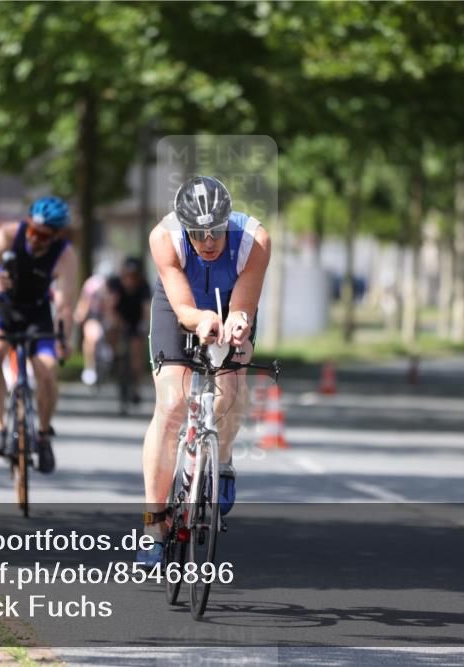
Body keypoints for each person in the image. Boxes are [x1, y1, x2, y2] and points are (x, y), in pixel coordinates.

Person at [136, 175, 271, 566]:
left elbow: (244, 304)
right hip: (181, 305)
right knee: (172, 403)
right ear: (185, 227)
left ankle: (221, 457)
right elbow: (181, 308)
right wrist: (201, 319)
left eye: (215, 232)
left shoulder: (255, 241)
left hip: (232, 300)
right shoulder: (164, 238)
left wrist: (238, 321)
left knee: (231, 384)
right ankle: (152, 524)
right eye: (198, 233)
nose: (208, 241)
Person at [0, 196, 77, 474]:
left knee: (48, 371)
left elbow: (65, 304)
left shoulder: (65, 254)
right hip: (3, 306)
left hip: (36, 311)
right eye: (31, 229)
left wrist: (64, 337)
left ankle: (42, 434)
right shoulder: (7, 235)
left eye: (43, 234)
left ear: (56, 234)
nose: (34, 237)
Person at [103, 257, 152, 404]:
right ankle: (114, 356)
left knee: (136, 358)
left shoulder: (143, 286)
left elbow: (146, 308)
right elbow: (111, 306)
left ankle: (136, 389)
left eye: (133, 276)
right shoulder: (116, 284)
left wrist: (144, 325)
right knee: (111, 331)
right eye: (127, 276)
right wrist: (114, 323)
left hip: (135, 322)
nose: (130, 280)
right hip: (120, 319)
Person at [73, 261, 113, 387]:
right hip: (93, 316)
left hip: (106, 315)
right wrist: (80, 314)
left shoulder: (112, 285)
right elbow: (84, 302)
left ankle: (109, 355)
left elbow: (111, 306)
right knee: (91, 337)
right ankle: (89, 367)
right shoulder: (91, 285)